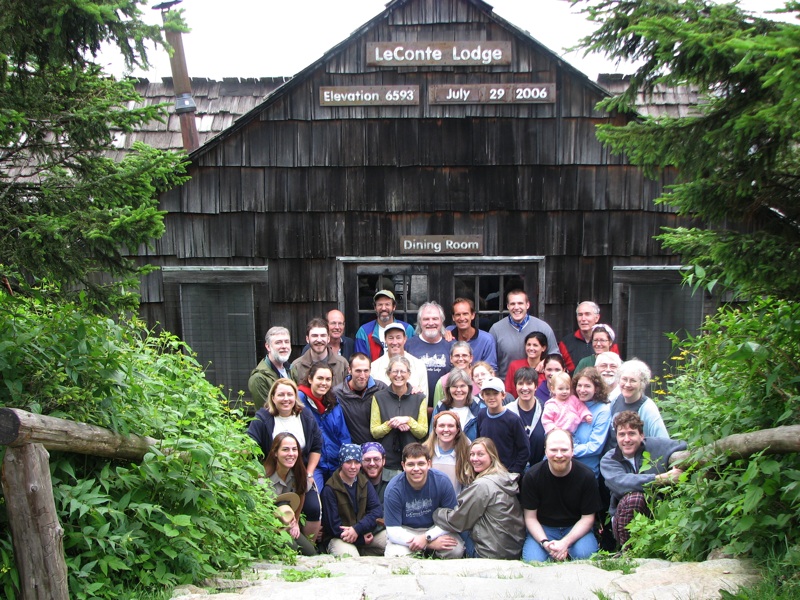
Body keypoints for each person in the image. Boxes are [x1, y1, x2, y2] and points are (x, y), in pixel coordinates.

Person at [248, 379, 323, 542]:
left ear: (295, 397)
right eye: (281, 394)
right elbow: (250, 444)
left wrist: (309, 473)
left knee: (313, 508)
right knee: (272, 510)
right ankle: (276, 544)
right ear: (273, 398)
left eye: (290, 394)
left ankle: (308, 544)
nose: (286, 399)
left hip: (299, 472)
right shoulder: (263, 417)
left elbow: (317, 446)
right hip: (272, 475)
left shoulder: (305, 415)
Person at [600, 411, 687, 547]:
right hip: (624, 517)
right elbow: (621, 483)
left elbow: (686, 448)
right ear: (616, 437)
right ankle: (628, 552)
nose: (626, 439)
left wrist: (680, 468)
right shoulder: (609, 460)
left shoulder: (658, 446)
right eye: (622, 434)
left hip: (660, 510)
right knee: (635, 497)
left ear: (641, 435)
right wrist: (662, 478)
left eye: (632, 433)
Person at [434, 437, 525, 559]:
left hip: (488, 553)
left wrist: (437, 513)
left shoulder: (482, 485)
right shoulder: (503, 477)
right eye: (472, 454)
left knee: (450, 530)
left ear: (492, 456)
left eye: (480, 454)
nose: (474, 459)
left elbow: (458, 520)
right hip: (512, 551)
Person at [520, 429, 602, 562]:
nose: (559, 455)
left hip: (576, 529)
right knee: (533, 562)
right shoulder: (532, 476)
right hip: (544, 529)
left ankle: (567, 552)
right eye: (553, 450)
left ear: (572, 451)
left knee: (585, 557)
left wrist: (565, 543)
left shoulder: (586, 476)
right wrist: (545, 543)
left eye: (564, 450)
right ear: (545, 451)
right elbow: (530, 518)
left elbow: (587, 518)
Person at [383, 443, 465, 559]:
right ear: (403, 466)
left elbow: (451, 520)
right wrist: (427, 544)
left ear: (429, 464)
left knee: (455, 550)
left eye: (421, 463)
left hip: (436, 528)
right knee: (396, 557)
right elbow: (393, 531)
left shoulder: (442, 481)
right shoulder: (394, 489)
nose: (416, 469)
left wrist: (427, 537)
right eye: (411, 464)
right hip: (406, 530)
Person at [321, 444, 386, 557]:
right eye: (348, 462)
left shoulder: (364, 482)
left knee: (391, 542)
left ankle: (364, 552)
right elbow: (332, 527)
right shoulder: (330, 489)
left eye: (356, 462)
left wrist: (357, 529)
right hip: (339, 537)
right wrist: (359, 539)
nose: (353, 467)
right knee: (350, 557)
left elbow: (376, 511)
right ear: (341, 463)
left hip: (362, 532)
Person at [297, 362, 352, 491]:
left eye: (328, 379)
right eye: (320, 378)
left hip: (335, 463)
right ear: (310, 379)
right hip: (312, 465)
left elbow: (343, 435)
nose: (324, 383)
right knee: (318, 499)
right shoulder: (298, 401)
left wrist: (347, 460)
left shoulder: (333, 402)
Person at [369, 355, 429, 472]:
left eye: (403, 371)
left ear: (409, 374)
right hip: (387, 462)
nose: (399, 375)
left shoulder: (419, 398)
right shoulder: (379, 397)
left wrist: (408, 420)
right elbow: (375, 431)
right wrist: (392, 423)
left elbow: (422, 432)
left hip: (413, 461)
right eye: (395, 371)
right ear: (388, 374)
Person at [263, 432, 318, 556]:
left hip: (288, 523)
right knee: (292, 550)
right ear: (275, 453)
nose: (291, 454)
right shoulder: (263, 479)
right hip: (268, 528)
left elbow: (301, 494)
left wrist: (296, 522)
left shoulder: (298, 473)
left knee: (311, 552)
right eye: (285, 450)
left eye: (294, 449)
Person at [489, 290, 560, 380]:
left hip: (536, 383)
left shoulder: (543, 327)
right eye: (512, 304)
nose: (516, 307)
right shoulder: (496, 329)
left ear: (527, 305)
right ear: (508, 306)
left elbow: (555, 355)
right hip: (506, 383)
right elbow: (491, 363)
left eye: (520, 303)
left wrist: (546, 361)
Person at [606, 359, 669, 452]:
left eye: (633, 381)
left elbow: (664, 442)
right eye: (624, 379)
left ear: (642, 384)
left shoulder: (648, 408)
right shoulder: (614, 401)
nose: (627, 384)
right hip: (613, 459)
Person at [475, 377, 529, 475]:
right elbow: (479, 440)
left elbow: (524, 449)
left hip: (507, 473)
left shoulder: (513, 419)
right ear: (482, 396)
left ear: (503, 395)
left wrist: (514, 472)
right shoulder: (481, 415)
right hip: (486, 472)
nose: (491, 397)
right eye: (487, 394)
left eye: (495, 393)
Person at [333, 353, 388, 445]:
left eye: (366, 371)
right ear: (349, 370)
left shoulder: (381, 388)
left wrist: (412, 390)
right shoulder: (337, 393)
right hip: (351, 450)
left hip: (377, 449)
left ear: (370, 370)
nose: (362, 375)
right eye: (358, 371)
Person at [405, 301, 454, 403]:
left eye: (435, 319)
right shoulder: (408, 345)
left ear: (442, 321)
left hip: (446, 406)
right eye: (426, 319)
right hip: (415, 404)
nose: (431, 323)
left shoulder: (452, 345)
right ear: (419, 322)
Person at [370, 322, 428, 406]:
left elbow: (424, 401)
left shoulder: (419, 365)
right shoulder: (374, 367)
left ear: (405, 339)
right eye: (390, 338)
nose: (394, 342)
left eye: (398, 337)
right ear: (385, 340)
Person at [571, 368, 612, 477]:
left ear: (597, 389)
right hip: (564, 466)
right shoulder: (572, 403)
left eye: (587, 386)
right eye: (579, 385)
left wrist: (570, 451)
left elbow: (595, 446)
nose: (582, 390)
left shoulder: (603, 411)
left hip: (587, 471)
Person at [558, 301, 620, 373]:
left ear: (597, 318)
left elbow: (616, 367)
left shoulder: (608, 342)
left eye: (587, 314)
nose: (583, 319)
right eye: (580, 315)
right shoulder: (566, 343)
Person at [355, 290, 415, 360]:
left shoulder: (407, 329)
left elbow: (413, 358)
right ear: (375, 307)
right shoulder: (363, 332)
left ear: (394, 307)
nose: (383, 308)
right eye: (380, 304)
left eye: (387, 304)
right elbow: (360, 363)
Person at [291, 317, 350, 387]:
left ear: (328, 339)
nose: (319, 340)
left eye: (323, 336)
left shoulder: (342, 364)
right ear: (307, 339)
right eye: (315, 336)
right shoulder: (296, 366)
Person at [507, 367, 546, 467]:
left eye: (529, 383)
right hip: (513, 471)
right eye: (520, 383)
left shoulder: (546, 410)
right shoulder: (507, 412)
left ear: (536, 386)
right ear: (515, 386)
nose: (524, 388)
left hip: (539, 470)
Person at [423, 410, 470, 494]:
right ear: (435, 429)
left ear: (457, 429)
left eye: (451, 426)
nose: (446, 429)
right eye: (441, 426)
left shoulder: (466, 451)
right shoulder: (424, 451)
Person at [446, 297, 497, 371]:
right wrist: (443, 334)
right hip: (452, 381)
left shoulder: (486, 340)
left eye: (465, 314)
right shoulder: (448, 334)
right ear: (453, 317)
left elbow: (491, 370)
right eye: (458, 315)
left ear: (472, 315)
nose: (462, 318)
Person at [248, 326, 294, 407]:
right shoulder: (259, 378)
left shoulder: (292, 370)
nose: (284, 346)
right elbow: (266, 412)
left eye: (287, 342)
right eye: (278, 342)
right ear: (268, 346)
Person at [432, 368, 481, 441]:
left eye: (462, 386)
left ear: (469, 388)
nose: (458, 390)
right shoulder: (440, 407)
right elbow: (432, 436)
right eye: (454, 386)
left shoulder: (479, 407)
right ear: (448, 389)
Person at [431, 341, 477, 407]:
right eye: (457, 356)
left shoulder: (479, 378)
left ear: (471, 358)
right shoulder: (443, 382)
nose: (461, 359)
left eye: (464, 355)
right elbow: (437, 409)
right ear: (451, 359)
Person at [504, 331, 548, 397]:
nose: (531, 348)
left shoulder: (547, 368)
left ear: (543, 348)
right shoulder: (515, 365)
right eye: (528, 345)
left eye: (535, 345)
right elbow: (508, 390)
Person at [361, 442, 391, 507]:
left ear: (383, 461)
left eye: (376, 459)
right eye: (367, 459)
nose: (372, 463)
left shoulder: (394, 481)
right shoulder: (355, 482)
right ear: (361, 462)